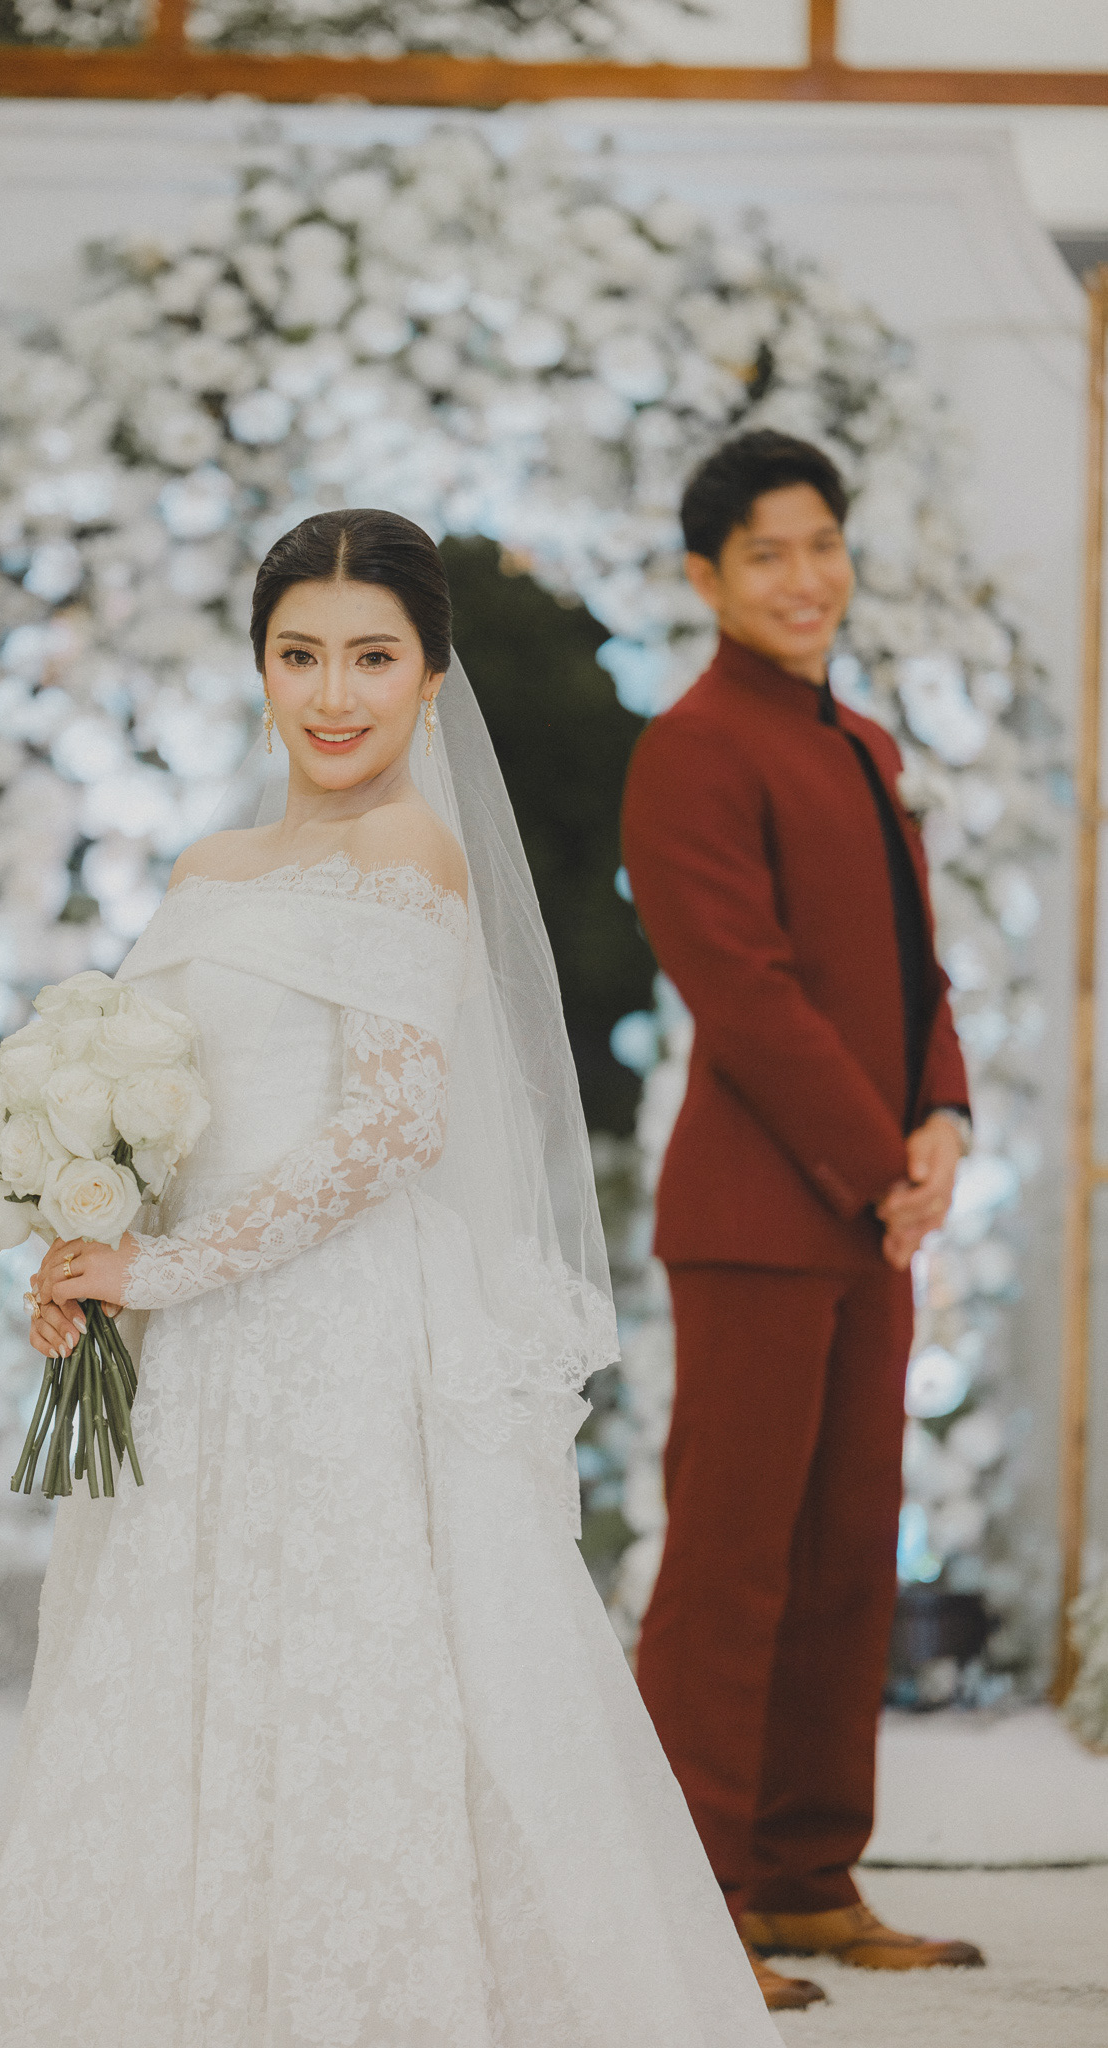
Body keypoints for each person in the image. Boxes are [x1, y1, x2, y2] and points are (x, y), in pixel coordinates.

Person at [0, 508, 782, 2046]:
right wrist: (85, 1247)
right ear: (260, 669)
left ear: (430, 678)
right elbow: (171, 1111)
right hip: (193, 1337)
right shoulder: (210, 865)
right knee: (179, 1675)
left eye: (372, 658)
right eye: (300, 655)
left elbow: (391, 1128)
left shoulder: (408, 849)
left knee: (350, 1672)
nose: (334, 694)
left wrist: (162, 1266)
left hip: (337, 1330)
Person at [621, 431, 984, 2010]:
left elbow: (917, 966)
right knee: (731, 1564)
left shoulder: (865, 742)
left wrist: (944, 1119)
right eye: (765, 553)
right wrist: (879, 1161)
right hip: (756, 1216)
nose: (803, 577)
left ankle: (805, 1876)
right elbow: (745, 993)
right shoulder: (692, 748)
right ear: (704, 579)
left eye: (819, 543)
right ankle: (684, 1896)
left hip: (865, 1215)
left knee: (847, 1559)